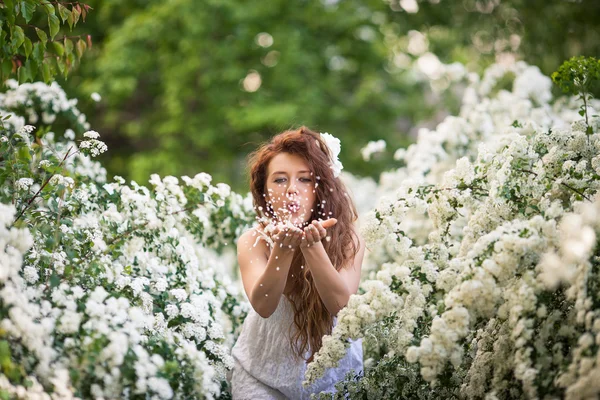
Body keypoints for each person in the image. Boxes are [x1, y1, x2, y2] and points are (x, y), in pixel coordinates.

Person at [230, 126, 366, 399]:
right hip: (261, 376)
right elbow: (264, 306)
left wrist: (313, 247)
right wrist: (283, 249)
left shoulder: (349, 239)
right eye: (279, 180)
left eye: (305, 180)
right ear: (264, 190)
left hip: (335, 380)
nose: (292, 189)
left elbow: (340, 305)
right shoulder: (252, 241)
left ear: (321, 188)